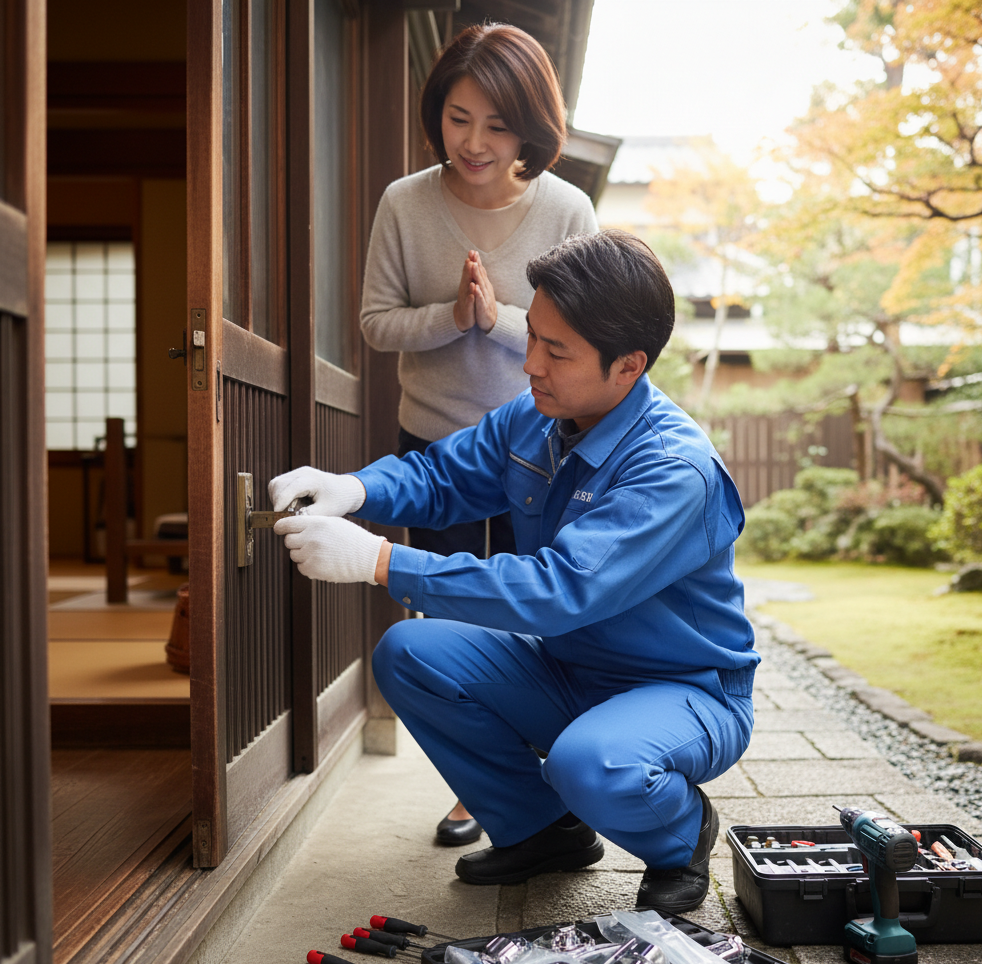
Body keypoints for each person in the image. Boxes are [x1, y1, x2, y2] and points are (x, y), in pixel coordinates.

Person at [270, 231, 759, 913]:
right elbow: (442, 476)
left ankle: (680, 836)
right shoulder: (535, 418)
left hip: (682, 691)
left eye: (556, 351)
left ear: (628, 366)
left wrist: (381, 561)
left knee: (591, 764)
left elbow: (558, 591)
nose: (530, 363)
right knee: (411, 653)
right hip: (570, 669)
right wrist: (354, 489)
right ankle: (545, 831)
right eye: (532, 335)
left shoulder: (672, 471)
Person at [359, 22, 598, 846]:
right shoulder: (405, 201)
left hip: (542, 441)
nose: (475, 142)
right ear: (439, 113)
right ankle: (481, 785)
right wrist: (449, 317)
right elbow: (376, 324)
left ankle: (550, 768)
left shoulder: (568, 208)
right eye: (460, 118)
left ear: (531, 126)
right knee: (447, 616)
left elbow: (585, 335)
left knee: (539, 614)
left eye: (497, 125)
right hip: (434, 442)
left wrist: (496, 323)